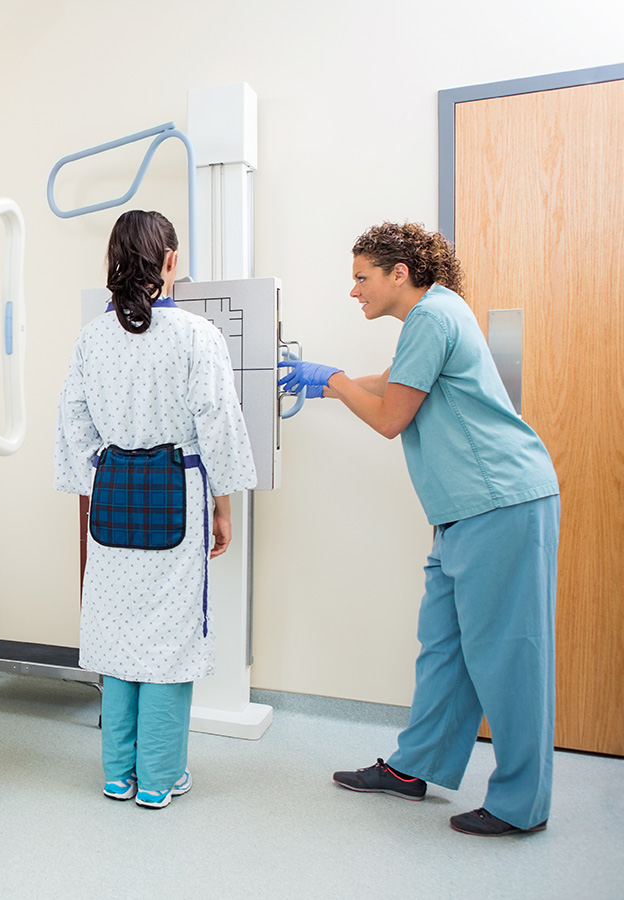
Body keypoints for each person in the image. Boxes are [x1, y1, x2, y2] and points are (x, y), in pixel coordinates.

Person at [279, 222, 560, 836]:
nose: (354, 291)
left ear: (398, 273)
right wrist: (331, 378)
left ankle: (521, 805)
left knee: (511, 656)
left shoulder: (432, 317)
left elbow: (388, 418)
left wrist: (331, 382)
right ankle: (415, 767)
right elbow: (393, 382)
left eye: (362, 277)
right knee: (446, 647)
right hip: (461, 512)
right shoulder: (432, 317)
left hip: (499, 503)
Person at [53, 209, 257, 809]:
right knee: (169, 638)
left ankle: (118, 774)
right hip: (178, 493)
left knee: (114, 633)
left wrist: (107, 476)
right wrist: (223, 507)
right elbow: (217, 427)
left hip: (112, 498)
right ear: (169, 261)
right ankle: (161, 778)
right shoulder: (197, 337)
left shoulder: (91, 338)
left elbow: (73, 426)